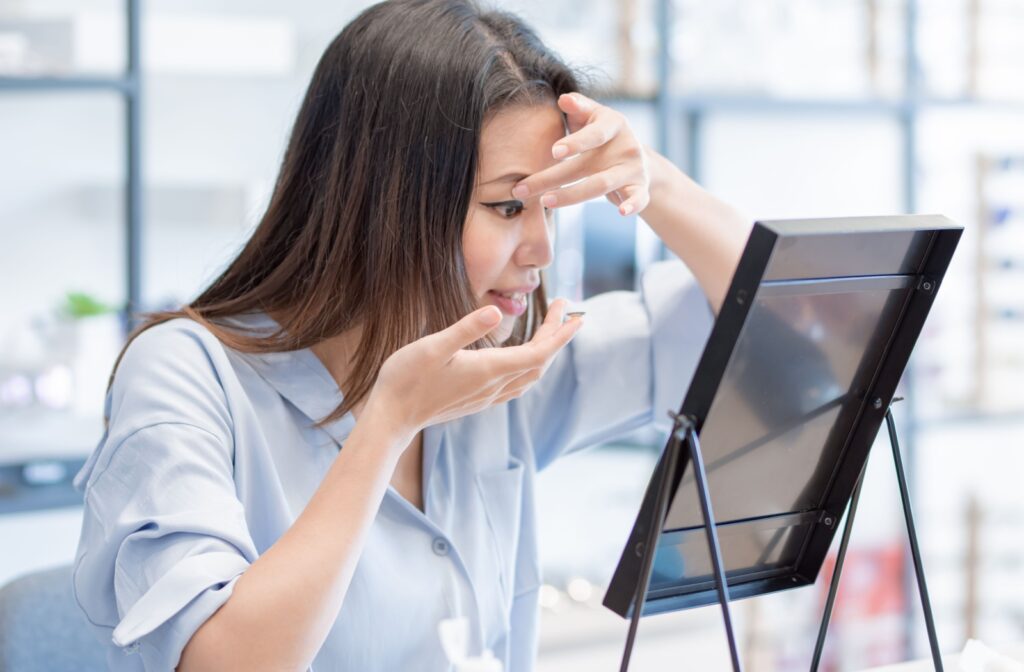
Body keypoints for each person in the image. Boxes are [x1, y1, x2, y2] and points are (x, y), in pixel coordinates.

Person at [72, 0, 750, 670]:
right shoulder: (187, 376)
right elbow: (220, 663)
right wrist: (388, 423)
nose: (541, 249)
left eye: (550, 207)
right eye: (509, 206)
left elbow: (763, 318)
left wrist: (652, 177)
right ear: (384, 201)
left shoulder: (497, 365)